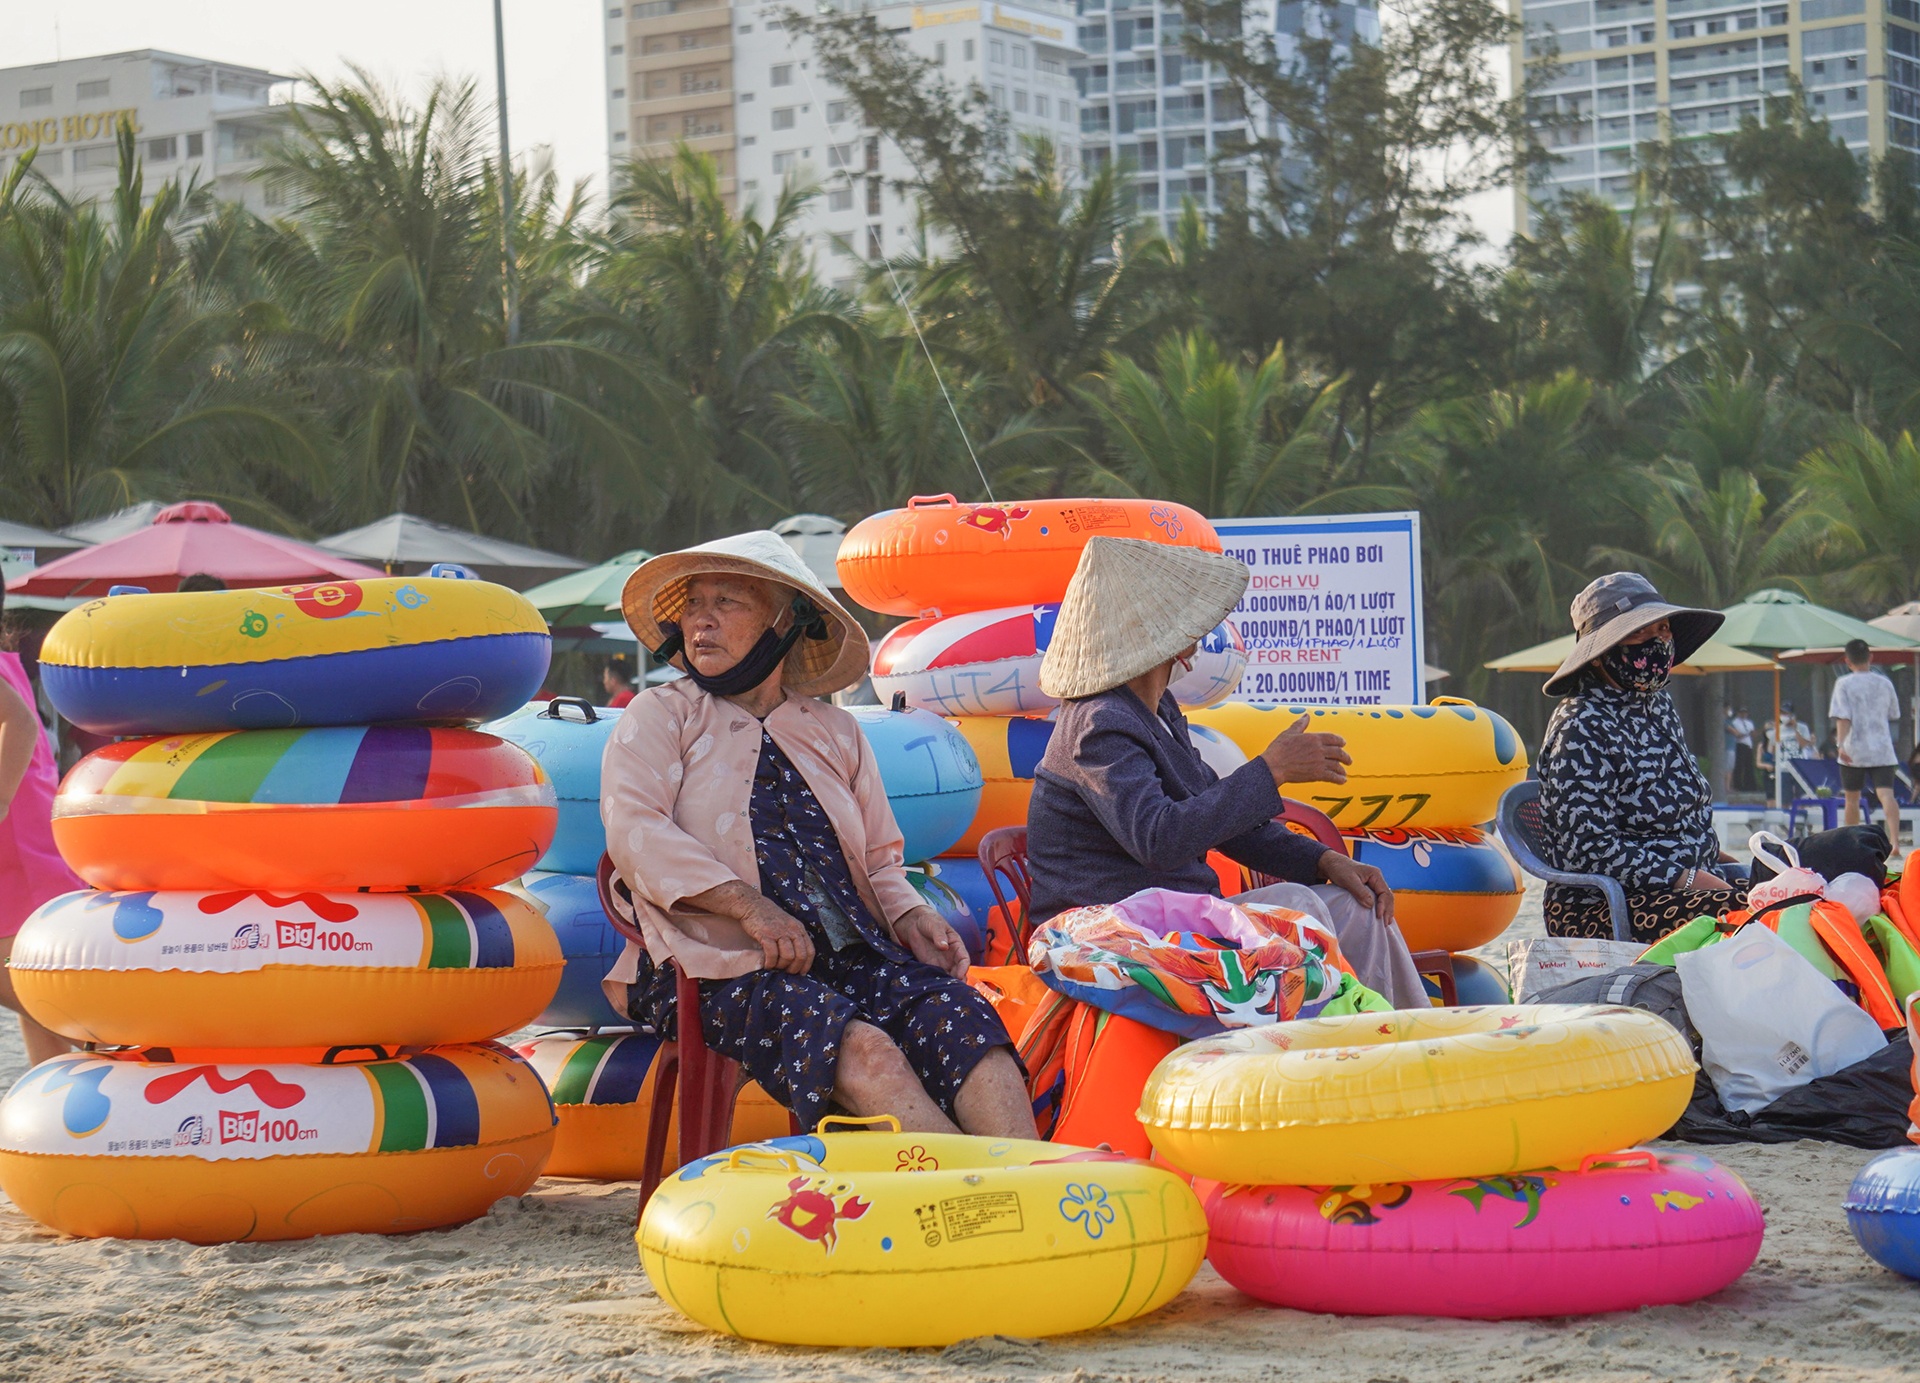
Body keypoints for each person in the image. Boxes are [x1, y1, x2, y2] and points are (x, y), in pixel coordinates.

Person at [600, 531, 1035, 1138]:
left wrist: (910, 915)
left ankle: (1018, 1179)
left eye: (726, 602)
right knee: (862, 1050)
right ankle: (958, 1184)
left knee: (965, 1020)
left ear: (786, 622)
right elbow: (635, 831)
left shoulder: (836, 730)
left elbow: (880, 859)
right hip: (711, 968)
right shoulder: (661, 715)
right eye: (693, 604)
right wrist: (749, 907)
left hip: (850, 954)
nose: (701, 621)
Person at [1022, 537, 1427, 1008]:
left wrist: (1325, 861)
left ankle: (1409, 1034)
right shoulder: (1098, 725)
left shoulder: (1157, 710)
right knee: (1299, 909)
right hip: (1114, 934)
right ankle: (1349, 1040)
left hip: (1178, 920)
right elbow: (1159, 838)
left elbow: (1220, 818)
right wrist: (1272, 770)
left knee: (1358, 907)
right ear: (1173, 641)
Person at [1537, 572, 1747, 943]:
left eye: (1663, 628)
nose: (1657, 641)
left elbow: (1682, 817)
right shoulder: (1580, 725)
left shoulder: (1658, 706)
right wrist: (1688, 878)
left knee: (1806, 894)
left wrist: (1721, 861)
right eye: (1638, 633)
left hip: (1687, 885)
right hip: (1601, 905)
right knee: (1752, 913)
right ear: (1600, 654)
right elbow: (1590, 849)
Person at [0, 587, 84, 1064]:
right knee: (38, 990)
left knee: (40, 993)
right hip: (28, 834)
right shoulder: (6, 660)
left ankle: (146, 1057)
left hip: (17, 840)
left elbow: (20, 725)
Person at [1830, 638, 1903, 852]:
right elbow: (1894, 713)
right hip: (1882, 748)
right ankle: (1895, 842)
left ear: (1847, 661)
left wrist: (1840, 744)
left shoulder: (1844, 683)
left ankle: (1852, 843)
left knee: (1852, 798)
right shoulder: (1885, 683)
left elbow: (1843, 717)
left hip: (1854, 748)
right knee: (1886, 795)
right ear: (1870, 657)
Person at [1727, 706, 1758, 795]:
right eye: (1742, 712)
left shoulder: (1749, 723)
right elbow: (1738, 735)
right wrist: (1747, 734)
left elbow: (1753, 734)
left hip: (1748, 745)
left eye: (1745, 712)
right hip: (1740, 745)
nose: (1743, 714)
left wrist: (1753, 734)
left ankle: (1749, 785)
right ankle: (1738, 785)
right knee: (1739, 766)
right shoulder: (1735, 722)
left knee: (1749, 766)